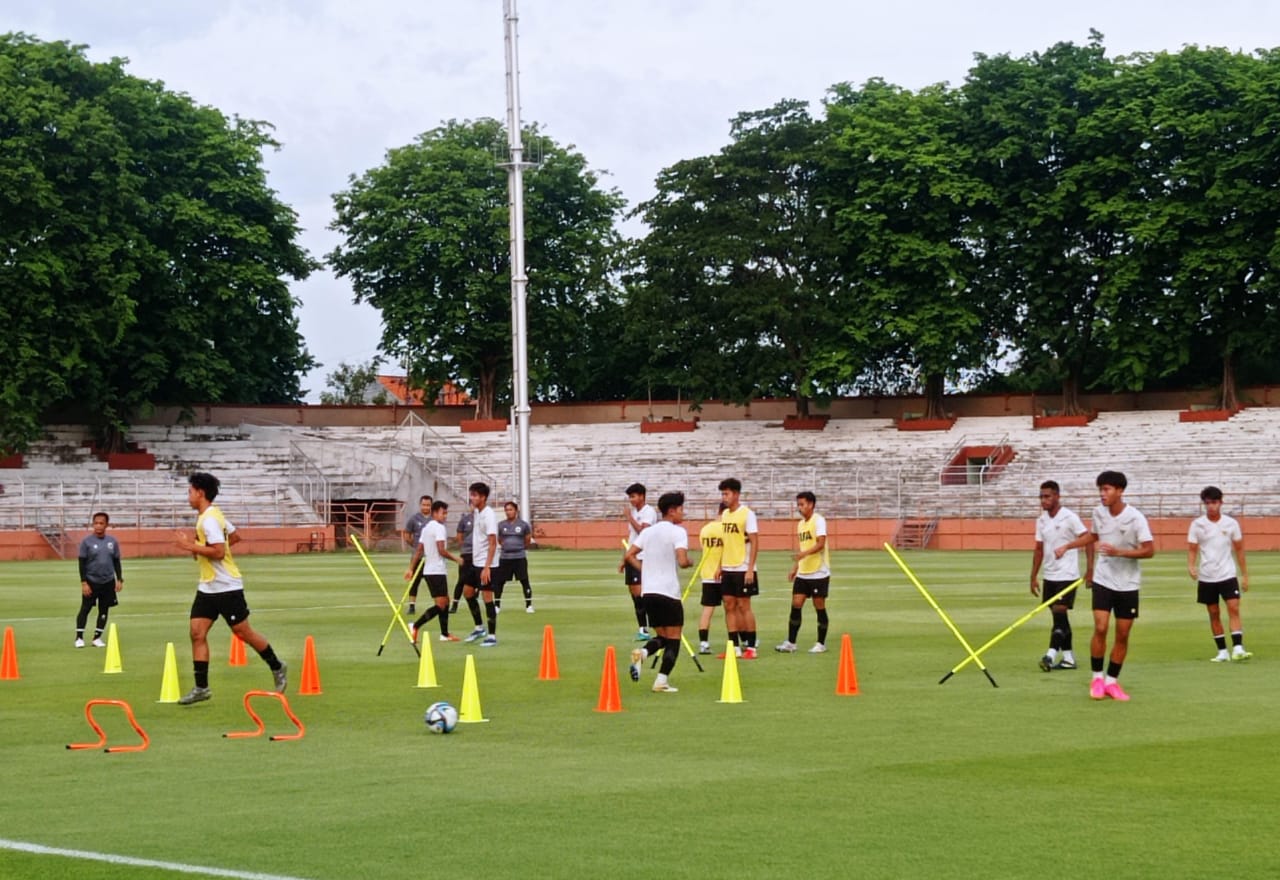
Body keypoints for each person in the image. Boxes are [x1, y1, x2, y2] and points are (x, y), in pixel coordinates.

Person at [174, 472, 286, 705]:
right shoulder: (209, 516)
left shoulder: (210, 519)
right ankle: (201, 688)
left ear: (200, 493)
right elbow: (233, 536)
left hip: (227, 587)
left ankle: (277, 666)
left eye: (190, 491)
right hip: (208, 587)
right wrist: (199, 547)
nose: (188, 496)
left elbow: (219, 551)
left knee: (243, 632)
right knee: (197, 633)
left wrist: (189, 546)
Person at [1056, 470, 1153, 702]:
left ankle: (1112, 681)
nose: (1102, 494)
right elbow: (1093, 536)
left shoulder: (1136, 518)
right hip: (1103, 580)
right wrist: (1068, 546)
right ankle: (1097, 678)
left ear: (1120, 491)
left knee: (1122, 634)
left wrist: (1120, 552)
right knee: (1100, 628)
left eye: (1107, 489)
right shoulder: (1098, 512)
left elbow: (1149, 550)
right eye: (1100, 489)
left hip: (1128, 584)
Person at [625, 491, 693, 693]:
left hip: (649, 593)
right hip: (668, 592)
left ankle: (643, 653)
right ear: (672, 511)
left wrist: (645, 570)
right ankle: (661, 681)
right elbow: (682, 561)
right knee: (674, 638)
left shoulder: (648, 532)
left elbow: (629, 555)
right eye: (681, 509)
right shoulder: (677, 532)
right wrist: (689, 562)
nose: (683, 513)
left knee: (662, 636)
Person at [1030, 480, 1093, 672]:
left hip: (1068, 575)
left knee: (1059, 612)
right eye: (1041, 496)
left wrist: (1090, 569)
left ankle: (1049, 655)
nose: (1044, 500)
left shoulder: (1069, 517)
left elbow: (1088, 539)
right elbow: (1039, 549)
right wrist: (1033, 577)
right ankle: (1068, 659)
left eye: (1047, 496)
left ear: (1057, 496)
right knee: (1060, 619)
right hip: (1050, 576)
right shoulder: (1041, 520)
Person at [1187, 486, 1251, 662]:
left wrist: (1245, 575)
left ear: (1221, 502)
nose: (1211, 506)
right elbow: (1192, 549)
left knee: (1233, 608)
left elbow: (1239, 550)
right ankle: (1222, 651)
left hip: (1227, 574)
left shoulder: (1231, 524)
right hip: (1207, 576)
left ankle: (1238, 647)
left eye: (1214, 502)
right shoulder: (1197, 524)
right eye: (1207, 503)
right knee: (1213, 612)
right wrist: (1191, 565)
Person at [776, 491, 831, 654]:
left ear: (811, 504)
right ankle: (791, 642)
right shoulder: (800, 524)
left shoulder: (818, 520)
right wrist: (795, 567)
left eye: (803, 504)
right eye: (798, 505)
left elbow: (821, 544)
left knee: (818, 605)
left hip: (818, 572)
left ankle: (821, 643)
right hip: (804, 571)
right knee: (796, 604)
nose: (800, 508)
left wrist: (803, 555)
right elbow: (803, 548)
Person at [407, 500, 462, 642]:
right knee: (441, 604)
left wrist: (411, 569)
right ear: (435, 513)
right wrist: (456, 559)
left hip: (429, 570)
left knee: (445, 601)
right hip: (436, 571)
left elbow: (418, 551)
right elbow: (441, 550)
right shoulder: (439, 528)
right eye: (443, 513)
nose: (445, 516)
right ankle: (415, 626)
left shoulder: (426, 528)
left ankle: (444, 634)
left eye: (446, 513)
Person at [717, 478, 759, 659]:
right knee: (729, 605)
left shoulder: (747, 514)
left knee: (744, 606)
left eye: (726, 493)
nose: (724, 497)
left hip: (743, 567)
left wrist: (750, 569)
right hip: (727, 567)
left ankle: (751, 648)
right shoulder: (725, 515)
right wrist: (720, 565)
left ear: (736, 494)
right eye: (722, 494)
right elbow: (725, 542)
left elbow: (755, 542)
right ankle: (733, 647)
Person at [460, 482, 501, 647]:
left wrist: (486, 567)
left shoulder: (489, 515)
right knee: (468, 592)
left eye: (475, 495)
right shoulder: (478, 511)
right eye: (471, 494)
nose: (472, 498)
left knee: (487, 597)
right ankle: (479, 628)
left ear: (483, 497)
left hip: (487, 563)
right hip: (475, 561)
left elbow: (493, 543)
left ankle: (492, 635)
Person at [75, 511, 123, 648]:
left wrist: (119, 579)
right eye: (96, 523)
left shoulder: (112, 542)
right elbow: (82, 563)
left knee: (104, 609)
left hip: (108, 582)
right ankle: (79, 637)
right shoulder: (86, 542)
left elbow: (116, 561)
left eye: (101, 523)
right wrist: (84, 582)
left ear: (107, 525)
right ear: (92, 524)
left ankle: (97, 637)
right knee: (85, 608)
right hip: (91, 581)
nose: (98, 526)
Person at [619, 483, 658, 641]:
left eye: (634, 496)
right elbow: (633, 539)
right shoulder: (635, 512)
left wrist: (629, 518)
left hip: (643, 558)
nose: (631, 500)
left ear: (642, 496)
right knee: (634, 593)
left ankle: (648, 626)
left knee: (641, 593)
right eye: (630, 497)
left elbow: (644, 532)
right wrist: (625, 558)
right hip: (632, 557)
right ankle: (643, 627)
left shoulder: (649, 512)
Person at [696, 503, 727, 654]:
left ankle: (703, 643)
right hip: (725, 573)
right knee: (732, 609)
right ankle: (738, 641)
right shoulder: (726, 529)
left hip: (707, 575)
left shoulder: (705, 529)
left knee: (707, 610)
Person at [495, 500, 535, 613]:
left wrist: (519, 547)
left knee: (524, 581)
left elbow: (527, 539)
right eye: (506, 510)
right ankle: (497, 605)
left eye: (510, 509)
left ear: (516, 511)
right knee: (500, 582)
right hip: (505, 558)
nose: (508, 512)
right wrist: (507, 546)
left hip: (519, 557)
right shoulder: (501, 525)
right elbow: (499, 539)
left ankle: (529, 605)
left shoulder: (523, 525)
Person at [401, 494, 433, 615]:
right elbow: (407, 534)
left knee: (433, 581)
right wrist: (415, 545)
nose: (426, 507)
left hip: (430, 557)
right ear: (420, 505)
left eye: (428, 505)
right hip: (417, 556)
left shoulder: (434, 519)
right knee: (414, 581)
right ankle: (412, 606)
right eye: (424, 505)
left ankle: (438, 603)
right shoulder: (414, 519)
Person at [448, 508, 474, 617]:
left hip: (480, 554)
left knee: (480, 579)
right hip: (467, 554)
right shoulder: (465, 520)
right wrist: (465, 547)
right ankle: (454, 604)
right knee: (462, 580)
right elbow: (459, 537)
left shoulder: (484, 518)